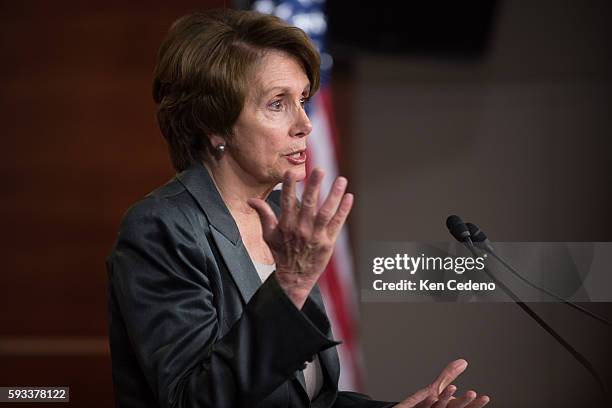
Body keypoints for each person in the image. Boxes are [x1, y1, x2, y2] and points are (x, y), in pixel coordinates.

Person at [106, 9, 490, 408]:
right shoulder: (161, 228)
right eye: (277, 103)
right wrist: (289, 286)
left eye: (303, 99)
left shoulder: (286, 219)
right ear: (213, 125)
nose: (305, 124)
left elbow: (306, 399)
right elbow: (195, 401)